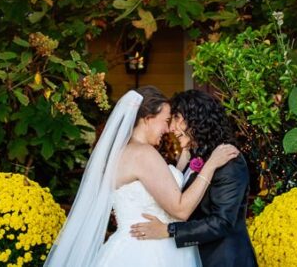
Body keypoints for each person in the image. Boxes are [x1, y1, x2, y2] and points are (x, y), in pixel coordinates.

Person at [43, 86, 239, 267]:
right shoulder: (144, 154)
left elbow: (164, 187)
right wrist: (211, 165)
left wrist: (185, 154)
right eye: (166, 120)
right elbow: (180, 210)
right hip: (151, 250)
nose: (168, 129)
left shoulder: (124, 152)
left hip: (128, 246)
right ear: (148, 118)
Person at [130, 89, 258, 267]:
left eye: (175, 118)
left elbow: (221, 222)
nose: (171, 128)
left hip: (223, 260)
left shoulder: (228, 160)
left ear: (195, 119)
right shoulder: (196, 156)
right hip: (193, 257)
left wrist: (168, 230)